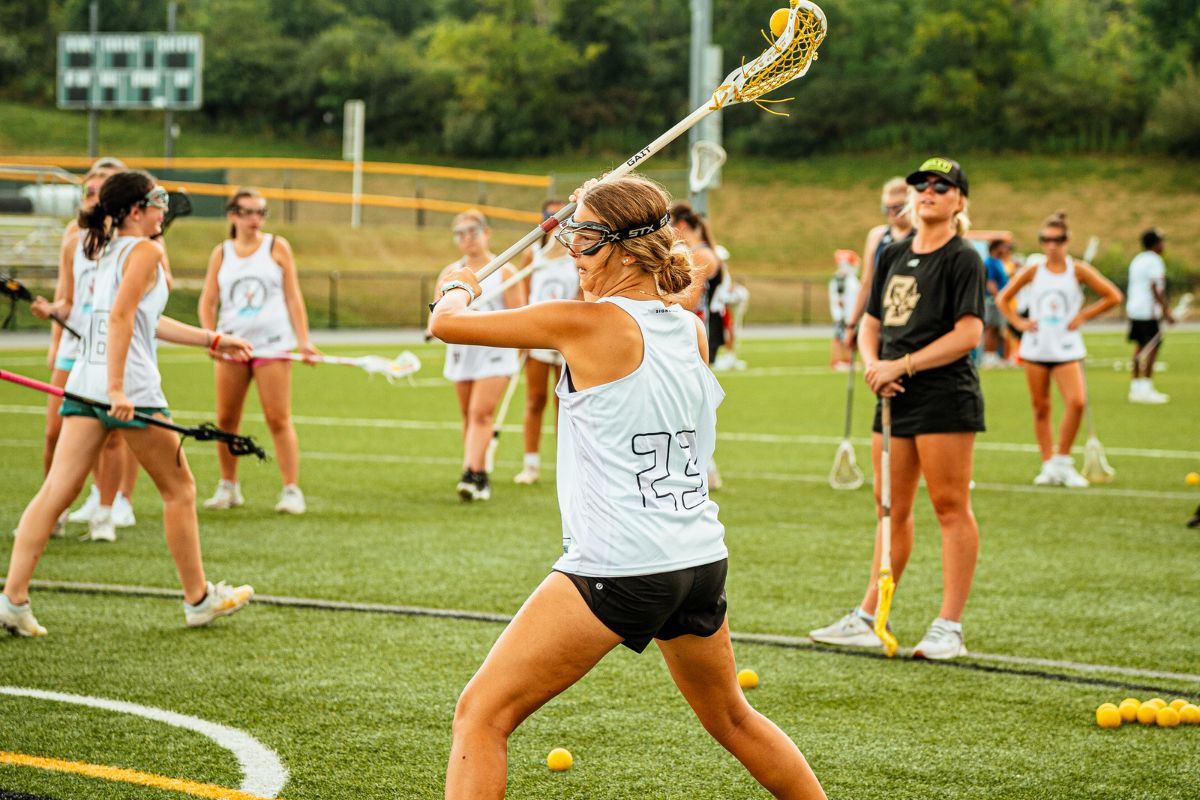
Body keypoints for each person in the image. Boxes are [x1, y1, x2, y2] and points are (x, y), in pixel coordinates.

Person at [430, 175, 825, 800]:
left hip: (622, 565)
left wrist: (456, 284)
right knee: (731, 718)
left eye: (584, 238)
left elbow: (448, 325)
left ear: (621, 247)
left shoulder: (584, 324)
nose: (571, 252)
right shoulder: (688, 326)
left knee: (481, 714)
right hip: (698, 561)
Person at [1, 170, 255, 637]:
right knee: (179, 490)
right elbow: (120, 317)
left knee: (56, 491)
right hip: (129, 389)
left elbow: (143, 320)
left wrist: (211, 338)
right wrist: (118, 389)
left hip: (85, 383)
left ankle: (12, 599)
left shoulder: (103, 246)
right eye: (158, 199)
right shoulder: (145, 250)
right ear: (136, 210)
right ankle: (199, 599)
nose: (165, 207)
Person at [810, 157, 985, 661]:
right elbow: (870, 322)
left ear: (958, 200)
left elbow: (969, 334)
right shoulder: (891, 253)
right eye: (921, 185)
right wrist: (874, 366)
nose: (927, 192)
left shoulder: (963, 257)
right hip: (893, 395)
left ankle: (949, 625)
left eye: (940, 186)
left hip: (944, 395)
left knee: (950, 508)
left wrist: (901, 365)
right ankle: (869, 615)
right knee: (890, 509)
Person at [31, 158, 140, 541]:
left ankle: (105, 514)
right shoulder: (74, 239)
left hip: (107, 348)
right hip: (74, 345)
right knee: (54, 432)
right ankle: (53, 510)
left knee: (111, 435)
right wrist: (51, 314)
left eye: (100, 191)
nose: (93, 197)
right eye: (88, 191)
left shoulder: (130, 244)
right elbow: (69, 300)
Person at [198, 188, 319, 514]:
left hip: (273, 345)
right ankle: (228, 486)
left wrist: (303, 340)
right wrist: (211, 336)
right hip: (233, 347)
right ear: (233, 215)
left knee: (277, 417)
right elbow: (208, 299)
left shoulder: (277, 247)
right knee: (226, 419)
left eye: (261, 212)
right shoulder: (221, 253)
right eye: (249, 212)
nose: (256, 219)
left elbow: (294, 297)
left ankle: (291, 489)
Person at [996, 212, 1123, 487]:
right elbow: (1003, 298)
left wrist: (1084, 316)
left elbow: (1113, 296)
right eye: (1046, 240)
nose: (1052, 245)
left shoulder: (1077, 270)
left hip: (1066, 347)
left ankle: (1063, 460)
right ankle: (1048, 465)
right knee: (1041, 407)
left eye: (1058, 240)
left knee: (1077, 402)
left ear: (1067, 240)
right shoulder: (1033, 269)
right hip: (1036, 347)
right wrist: (1018, 321)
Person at [431, 210, 525, 501]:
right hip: (463, 351)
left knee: (480, 413)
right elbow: (437, 310)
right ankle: (478, 473)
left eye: (472, 231)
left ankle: (471, 473)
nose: (467, 239)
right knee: (468, 416)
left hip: (495, 352)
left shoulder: (504, 271)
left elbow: (520, 317)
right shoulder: (451, 273)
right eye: (460, 234)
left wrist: (485, 320)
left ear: (486, 233)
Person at [513, 199, 580, 485]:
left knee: (564, 402)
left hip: (567, 336)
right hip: (538, 335)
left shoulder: (577, 252)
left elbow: (582, 293)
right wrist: (522, 338)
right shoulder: (533, 255)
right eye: (551, 216)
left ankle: (565, 464)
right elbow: (522, 296)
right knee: (536, 399)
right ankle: (531, 464)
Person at [843, 177, 913, 351]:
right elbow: (867, 282)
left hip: (913, 318)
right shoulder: (877, 236)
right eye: (887, 208)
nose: (892, 213)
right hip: (882, 318)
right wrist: (852, 323)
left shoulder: (922, 235)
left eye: (898, 207)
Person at [1125, 228, 1173, 404]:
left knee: (1139, 348)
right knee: (1153, 347)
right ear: (1155, 244)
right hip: (1147, 311)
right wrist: (1167, 311)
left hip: (1134, 309)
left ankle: (1135, 388)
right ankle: (1146, 388)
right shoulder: (1155, 261)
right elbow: (1156, 288)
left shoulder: (1137, 260)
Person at [828, 249, 861, 370]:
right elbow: (841, 299)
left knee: (847, 338)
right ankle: (836, 361)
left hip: (849, 314)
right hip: (845, 315)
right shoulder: (840, 279)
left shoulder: (847, 278)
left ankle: (847, 360)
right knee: (840, 337)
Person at [981, 239, 1010, 368]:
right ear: (995, 248)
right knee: (991, 328)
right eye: (1003, 247)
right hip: (993, 300)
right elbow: (990, 282)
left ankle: (995, 355)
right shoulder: (989, 262)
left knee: (998, 328)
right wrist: (999, 297)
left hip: (1000, 299)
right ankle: (988, 356)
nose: (1006, 250)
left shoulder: (998, 262)